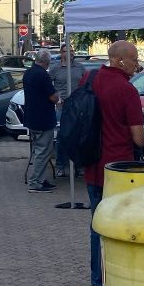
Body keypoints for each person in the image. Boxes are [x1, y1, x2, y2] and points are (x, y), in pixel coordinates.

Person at [88, 40, 144, 286]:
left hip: (91, 164)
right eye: (134, 58)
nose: (137, 63)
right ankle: (117, 277)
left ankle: (97, 282)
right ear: (120, 60)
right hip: (119, 167)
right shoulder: (127, 90)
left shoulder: (90, 80)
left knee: (97, 224)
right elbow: (138, 139)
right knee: (120, 225)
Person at [22, 48, 59, 193]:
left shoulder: (28, 73)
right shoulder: (43, 75)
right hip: (43, 118)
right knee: (43, 151)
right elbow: (52, 96)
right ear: (46, 62)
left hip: (31, 117)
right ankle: (35, 182)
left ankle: (41, 179)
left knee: (38, 150)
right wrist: (57, 97)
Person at [53, 44, 88, 179]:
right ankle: (60, 166)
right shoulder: (55, 68)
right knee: (63, 136)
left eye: (72, 50)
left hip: (77, 106)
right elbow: (49, 86)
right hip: (62, 106)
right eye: (67, 51)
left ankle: (79, 166)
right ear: (61, 53)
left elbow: (85, 84)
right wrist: (56, 98)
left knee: (79, 136)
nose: (71, 53)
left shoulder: (80, 67)